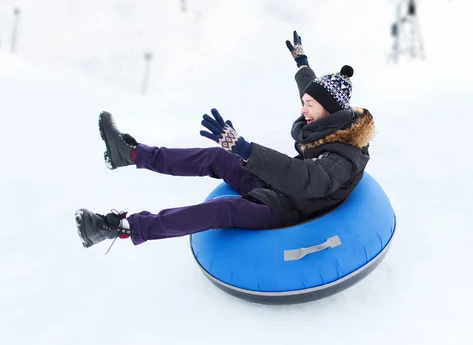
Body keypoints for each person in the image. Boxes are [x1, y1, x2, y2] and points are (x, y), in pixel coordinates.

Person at [75, 31, 375, 249]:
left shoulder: (342, 158)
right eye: (305, 101)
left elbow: (306, 179)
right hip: (279, 188)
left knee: (222, 209)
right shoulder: (332, 119)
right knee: (217, 158)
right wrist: (302, 63)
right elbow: (311, 91)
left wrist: (247, 150)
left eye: (309, 104)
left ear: (327, 110)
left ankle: (119, 227)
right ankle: (129, 154)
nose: (302, 108)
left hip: (290, 210)